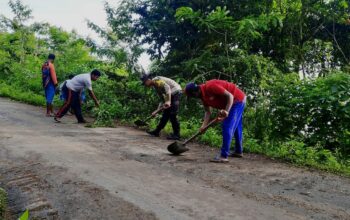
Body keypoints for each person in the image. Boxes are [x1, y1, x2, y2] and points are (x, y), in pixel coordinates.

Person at [184, 80, 246, 163]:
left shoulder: (210, 86)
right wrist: (203, 126)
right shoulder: (203, 97)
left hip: (237, 100)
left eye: (192, 96)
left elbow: (230, 96)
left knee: (227, 126)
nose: (194, 98)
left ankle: (223, 156)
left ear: (195, 92)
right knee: (237, 126)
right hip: (233, 101)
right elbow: (208, 112)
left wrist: (226, 111)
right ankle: (238, 151)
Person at [141, 75, 182, 140]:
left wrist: (168, 101)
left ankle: (177, 135)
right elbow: (162, 99)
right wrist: (157, 110)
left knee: (172, 114)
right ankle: (156, 132)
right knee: (165, 115)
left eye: (144, 83)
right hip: (170, 94)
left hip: (176, 92)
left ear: (148, 80)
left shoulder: (156, 80)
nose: (145, 85)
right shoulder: (156, 86)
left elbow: (167, 87)